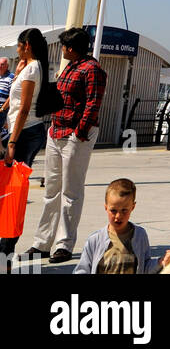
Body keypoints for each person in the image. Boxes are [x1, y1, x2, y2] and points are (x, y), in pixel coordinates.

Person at [28, 27, 106, 264]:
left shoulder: (92, 70)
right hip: (57, 131)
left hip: (75, 134)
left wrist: (79, 133)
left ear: (71, 48)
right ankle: (42, 243)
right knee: (52, 189)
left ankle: (63, 244)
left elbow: (93, 103)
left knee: (71, 192)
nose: (61, 50)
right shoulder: (71, 67)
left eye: (63, 46)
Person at [1, 29, 52, 262]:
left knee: (13, 193)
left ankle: (5, 254)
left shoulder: (33, 68)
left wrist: (12, 142)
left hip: (25, 133)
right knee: (9, 192)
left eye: (19, 46)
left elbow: (24, 107)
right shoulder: (29, 68)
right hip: (22, 131)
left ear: (27, 45)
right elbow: (16, 101)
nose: (17, 50)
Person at [74, 178, 170, 274]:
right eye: (113, 211)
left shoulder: (140, 235)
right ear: (106, 207)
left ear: (132, 207)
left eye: (124, 210)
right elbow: (82, 269)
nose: (118, 216)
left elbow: (145, 267)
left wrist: (160, 262)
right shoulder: (95, 240)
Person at [0, 58, 13, 140]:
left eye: (2, 64)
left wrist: (2, 108)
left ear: (7, 66)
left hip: (2, 111)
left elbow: (12, 96)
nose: (0, 66)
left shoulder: (11, 77)